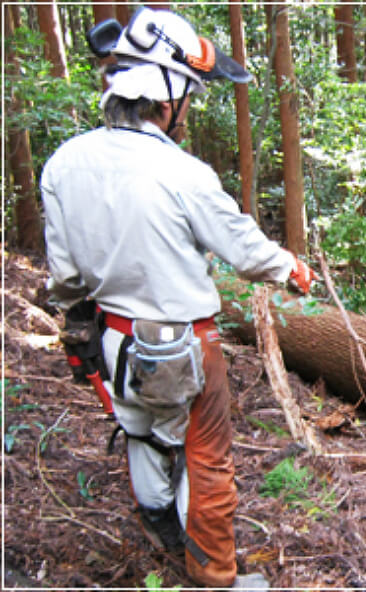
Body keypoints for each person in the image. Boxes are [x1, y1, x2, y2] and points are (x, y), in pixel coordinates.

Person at [40, 7, 314, 589]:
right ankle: (214, 574)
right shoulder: (181, 172)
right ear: (164, 98)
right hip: (182, 345)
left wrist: (83, 317)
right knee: (207, 455)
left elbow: (63, 278)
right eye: (188, 96)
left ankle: (161, 523)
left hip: (111, 339)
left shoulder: (63, 164)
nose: (188, 111)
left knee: (141, 430)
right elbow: (244, 250)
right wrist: (289, 266)